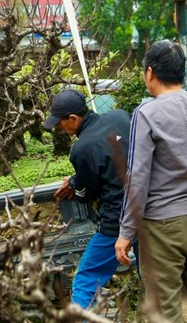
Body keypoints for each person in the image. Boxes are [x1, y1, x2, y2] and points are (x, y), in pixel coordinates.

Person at [115, 40, 187, 323]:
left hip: (163, 226)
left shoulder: (147, 113)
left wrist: (126, 231)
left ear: (150, 72)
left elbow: (138, 176)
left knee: (166, 313)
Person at [43, 88, 134, 310]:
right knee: (151, 275)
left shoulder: (82, 148)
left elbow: (87, 194)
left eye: (60, 123)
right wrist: (77, 179)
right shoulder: (121, 116)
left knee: (85, 279)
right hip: (149, 208)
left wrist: (75, 185)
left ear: (73, 119)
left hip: (117, 220)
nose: (59, 128)